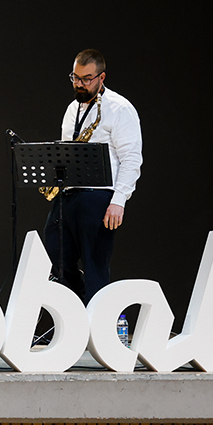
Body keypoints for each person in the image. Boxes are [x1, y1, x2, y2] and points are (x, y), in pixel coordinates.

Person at [43, 49, 142, 303]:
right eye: (75, 78)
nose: (80, 84)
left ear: (102, 77)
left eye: (87, 79)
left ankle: (98, 320)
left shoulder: (119, 108)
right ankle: (77, 310)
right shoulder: (72, 109)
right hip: (68, 195)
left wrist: (119, 201)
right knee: (56, 256)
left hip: (98, 197)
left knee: (96, 267)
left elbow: (132, 159)